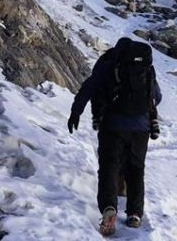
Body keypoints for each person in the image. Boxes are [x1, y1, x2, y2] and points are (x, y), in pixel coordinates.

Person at [68, 37, 162, 237]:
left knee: (110, 167)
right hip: (141, 127)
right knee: (136, 170)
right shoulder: (146, 68)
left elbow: (88, 89)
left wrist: (75, 112)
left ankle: (109, 208)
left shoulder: (109, 65)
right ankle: (135, 213)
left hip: (112, 126)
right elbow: (157, 97)